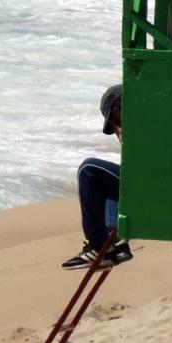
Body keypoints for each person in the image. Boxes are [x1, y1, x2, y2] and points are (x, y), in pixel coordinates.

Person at [61, 84, 133, 270]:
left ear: (120, 106)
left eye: (115, 120)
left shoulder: (142, 125)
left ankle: (98, 246)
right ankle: (115, 240)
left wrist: (126, 137)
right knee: (108, 180)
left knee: (89, 171)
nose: (116, 127)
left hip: (152, 188)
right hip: (163, 186)